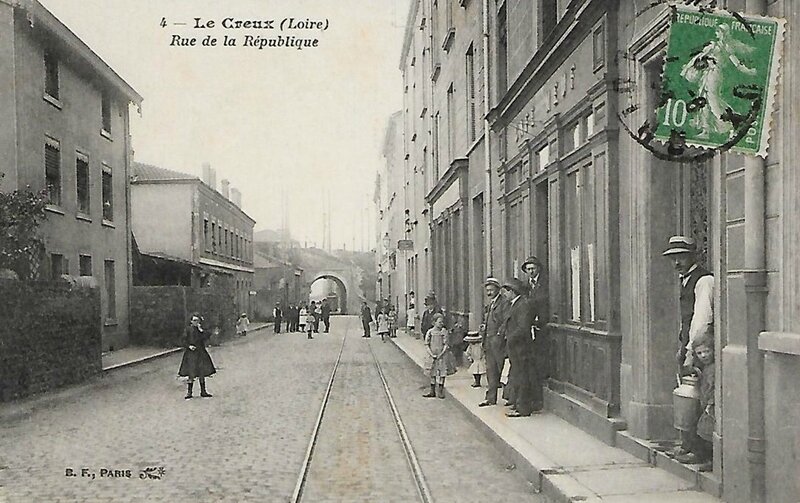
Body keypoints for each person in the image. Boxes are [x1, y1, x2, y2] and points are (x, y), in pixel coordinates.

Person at [662, 235, 714, 459]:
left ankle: (700, 450)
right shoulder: (685, 279)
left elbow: (702, 319)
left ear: (693, 255)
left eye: (681, 257)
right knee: (687, 396)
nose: (676, 262)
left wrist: (691, 351)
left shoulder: (703, 280)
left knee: (700, 398)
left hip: (702, 347)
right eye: (673, 258)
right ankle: (688, 444)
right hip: (689, 344)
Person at [500, 278, 540, 417]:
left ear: (512, 291)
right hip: (515, 347)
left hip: (521, 347)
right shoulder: (515, 304)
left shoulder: (522, 305)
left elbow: (523, 328)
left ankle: (523, 408)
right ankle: (518, 405)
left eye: (506, 291)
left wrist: (509, 338)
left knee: (522, 376)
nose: (504, 294)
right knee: (518, 375)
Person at [675, 333, 715, 471]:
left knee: (707, 432)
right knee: (700, 429)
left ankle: (710, 460)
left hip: (711, 406)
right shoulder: (705, 368)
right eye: (700, 353)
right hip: (705, 404)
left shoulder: (714, 369)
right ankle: (702, 456)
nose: (704, 355)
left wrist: (710, 403)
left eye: (707, 351)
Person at [478, 277, 509, 407]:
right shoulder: (490, 304)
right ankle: (491, 398)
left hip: (499, 343)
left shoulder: (503, 303)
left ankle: (509, 398)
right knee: (490, 371)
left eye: (491, 290)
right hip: (489, 342)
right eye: (487, 290)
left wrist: (499, 335)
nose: (489, 293)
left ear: (498, 289)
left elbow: (506, 321)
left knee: (503, 370)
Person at [178, 313, 216, 399]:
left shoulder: (200, 330)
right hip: (191, 353)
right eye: (194, 320)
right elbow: (183, 340)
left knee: (201, 372)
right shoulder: (188, 330)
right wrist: (189, 346)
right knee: (191, 372)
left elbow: (206, 337)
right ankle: (189, 392)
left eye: (197, 320)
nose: (196, 322)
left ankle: (203, 391)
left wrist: (201, 330)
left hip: (201, 352)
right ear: (191, 321)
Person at [422, 313, 455, 399]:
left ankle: (440, 390)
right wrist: (431, 354)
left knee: (442, 372)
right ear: (434, 323)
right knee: (432, 373)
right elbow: (426, 344)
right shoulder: (430, 332)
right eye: (439, 322)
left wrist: (441, 353)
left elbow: (446, 344)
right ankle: (432, 391)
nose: (441, 324)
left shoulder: (443, 332)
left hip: (442, 356)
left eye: (442, 322)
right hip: (432, 355)